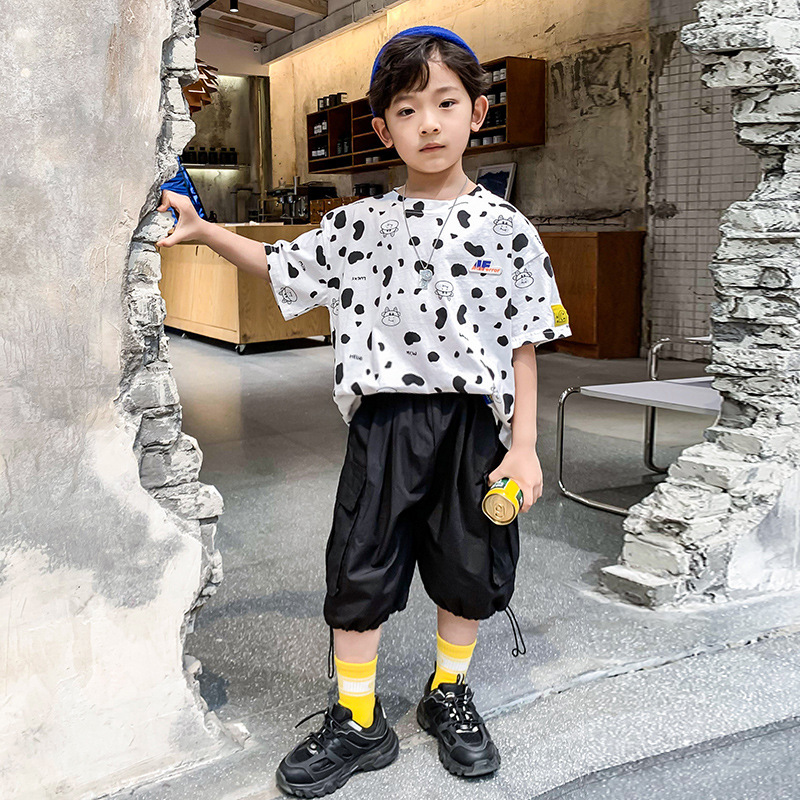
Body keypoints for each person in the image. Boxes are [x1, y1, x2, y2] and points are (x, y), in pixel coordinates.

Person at [156, 25, 572, 798]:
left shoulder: (508, 229)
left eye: (446, 103)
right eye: (408, 110)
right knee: (360, 567)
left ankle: (449, 693)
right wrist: (206, 231)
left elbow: (526, 342)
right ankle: (356, 720)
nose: (429, 124)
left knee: (471, 564)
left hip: (476, 430)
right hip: (384, 427)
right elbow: (279, 264)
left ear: (477, 112)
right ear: (383, 130)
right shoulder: (359, 226)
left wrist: (524, 447)